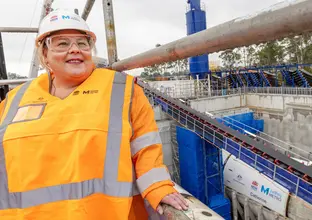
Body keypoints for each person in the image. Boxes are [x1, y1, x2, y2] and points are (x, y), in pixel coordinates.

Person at [0, 9, 188, 220]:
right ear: (44, 54)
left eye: (82, 43)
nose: (75, 50)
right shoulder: (13, 101)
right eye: (62, 43)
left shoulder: (122, 90)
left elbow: (146, 149)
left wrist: (158, 187)